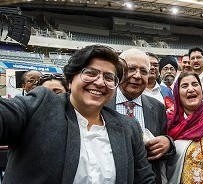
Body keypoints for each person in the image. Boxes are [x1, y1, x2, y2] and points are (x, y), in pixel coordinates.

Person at [0, 44, 155, 183]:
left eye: (109, 77)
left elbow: (144, 178)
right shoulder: (40, 106)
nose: (100, 82)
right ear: (70, 78)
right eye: (91, 73)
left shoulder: (128, 127)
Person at [107, 48, 175, 184]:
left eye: (143, 71)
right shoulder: (102, 102)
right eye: (131, 69)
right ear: (119, 71)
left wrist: (168, 143)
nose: (137, 76)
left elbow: (166, 138)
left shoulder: (157, 107)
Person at [166, 72, 203, 184]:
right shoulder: (169, 122)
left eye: (195, 84)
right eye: (184, 86)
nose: (191, 89)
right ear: (177, 93)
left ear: (201, 89)